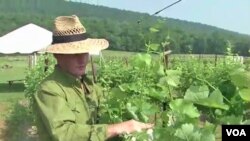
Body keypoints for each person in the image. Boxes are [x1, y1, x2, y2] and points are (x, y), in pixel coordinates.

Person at [33, 15, 154, 141]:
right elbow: (65, 134)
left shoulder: (89, 85)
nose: (82, 59)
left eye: (84, 53)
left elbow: (105, 116)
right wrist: (118, 128)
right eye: (74, 54)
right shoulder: (49, 89)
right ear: (58, 55)